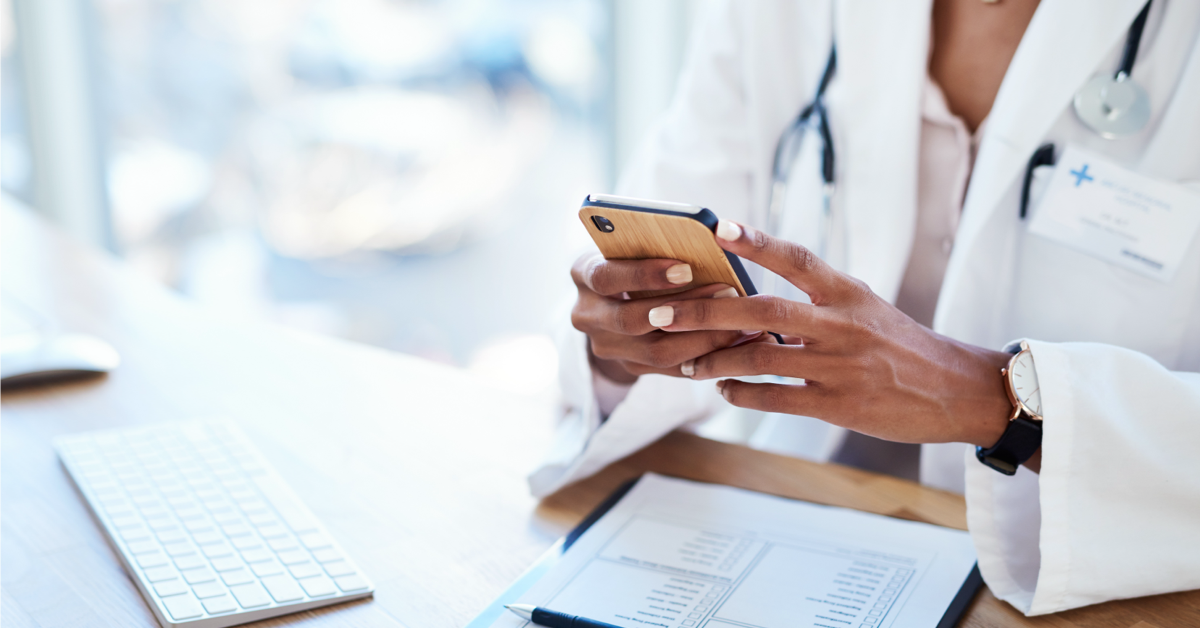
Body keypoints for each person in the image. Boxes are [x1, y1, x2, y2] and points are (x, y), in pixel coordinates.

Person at [531, 0, 1200, 617]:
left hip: (1085, 566)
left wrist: (991, 400)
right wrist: (627, 346)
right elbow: (664, 242)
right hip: (798, 517)